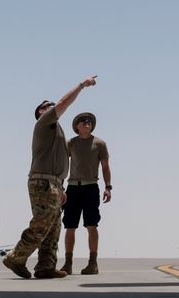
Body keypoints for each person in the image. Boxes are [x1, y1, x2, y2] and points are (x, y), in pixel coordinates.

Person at [3, 75, 98, 279]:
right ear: (40, 112)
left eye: (51, 105)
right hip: (43, 182)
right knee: (42, 222)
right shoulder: (44, 122)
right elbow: (64, 102)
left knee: (53, 228)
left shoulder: (57, 133)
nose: (53, 106)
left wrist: (61, 187)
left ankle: (45, 266)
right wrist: (82, 85)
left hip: (54, 184)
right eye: (47, 105)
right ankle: (16, 257)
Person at [58, 111, 111, 275]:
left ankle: (93, 264)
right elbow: (62, 165)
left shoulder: (100, 143)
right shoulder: (70, 143)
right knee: (70, 226)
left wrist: (108, 187)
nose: (87, 122)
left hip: (91, 188)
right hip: (73, 188)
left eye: (89, 120)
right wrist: (60, 186)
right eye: (83, 120)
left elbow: (105, 167)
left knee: (92, 225)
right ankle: (67, 263)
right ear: (77, 126)